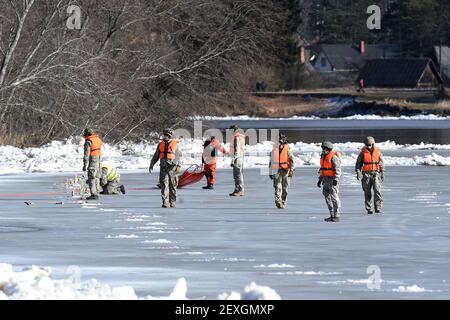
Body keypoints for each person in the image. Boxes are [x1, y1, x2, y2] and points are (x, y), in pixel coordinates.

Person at [149, 128, 182, 208]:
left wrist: (179, 166)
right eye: (165, 135)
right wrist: (151, 164)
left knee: (173, 186)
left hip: (173, 168)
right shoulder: (160, 145)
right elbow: (156, 155)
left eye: (167, 135)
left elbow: (179, 156)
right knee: (164, 185)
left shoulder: (175, 144)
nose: (166, 136)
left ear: (170, 135)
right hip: (163, 168)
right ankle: (165, 202)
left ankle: (173, 202)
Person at [355, 136, 384, 214]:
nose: (368, 146)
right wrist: (358, 172)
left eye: (369, 145)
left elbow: (381, 163)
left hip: (376, 173)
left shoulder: (378, 152)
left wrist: (382, 173)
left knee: (377, 191)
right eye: (366, 145)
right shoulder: (362, 153)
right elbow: (358, 164)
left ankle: (378, 207)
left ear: (373, 144)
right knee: (367, 192)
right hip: (366, 174)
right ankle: (369, 208)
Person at [317, 141, 342, 222]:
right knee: (327, 196)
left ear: (328, 149)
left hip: (332, 179)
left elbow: (338, 169)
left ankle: (336, 215)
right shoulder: (323, 157)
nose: (323, 150)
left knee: (334, 197)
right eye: (323, 148)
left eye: (325, 149)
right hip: (325, 179)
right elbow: (323, 169)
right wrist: (320, 180)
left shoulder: (334, 157)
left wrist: (336, 179)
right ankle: (331, 214)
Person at [269, 134, 295, 209]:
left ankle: (283, 201)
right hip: (276, 170)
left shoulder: (287, 149)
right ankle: (278, 201)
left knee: (285, 188)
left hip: (285, 170)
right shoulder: (274, 149)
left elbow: (292, 159)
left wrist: (292, 170)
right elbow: (271, 160)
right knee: (277, 187)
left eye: (280, 140)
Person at [82, 128, 102, 200]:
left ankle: (93, 194)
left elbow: (86, 155)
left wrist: (84, 166)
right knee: (97, 177)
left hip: (92, 160)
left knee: (91, 177)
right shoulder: (98, 139)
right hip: (99, 160)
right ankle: (97, 192)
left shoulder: (88, 141)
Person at [229, 125, 245, 196]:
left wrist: (233, 159)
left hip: (237, 158)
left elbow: (237, 150)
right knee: (237, 175)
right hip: (239, 157)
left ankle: (240, 190)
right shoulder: (240, 136)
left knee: (238, 175)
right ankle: (237, 189)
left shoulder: (237, 137)